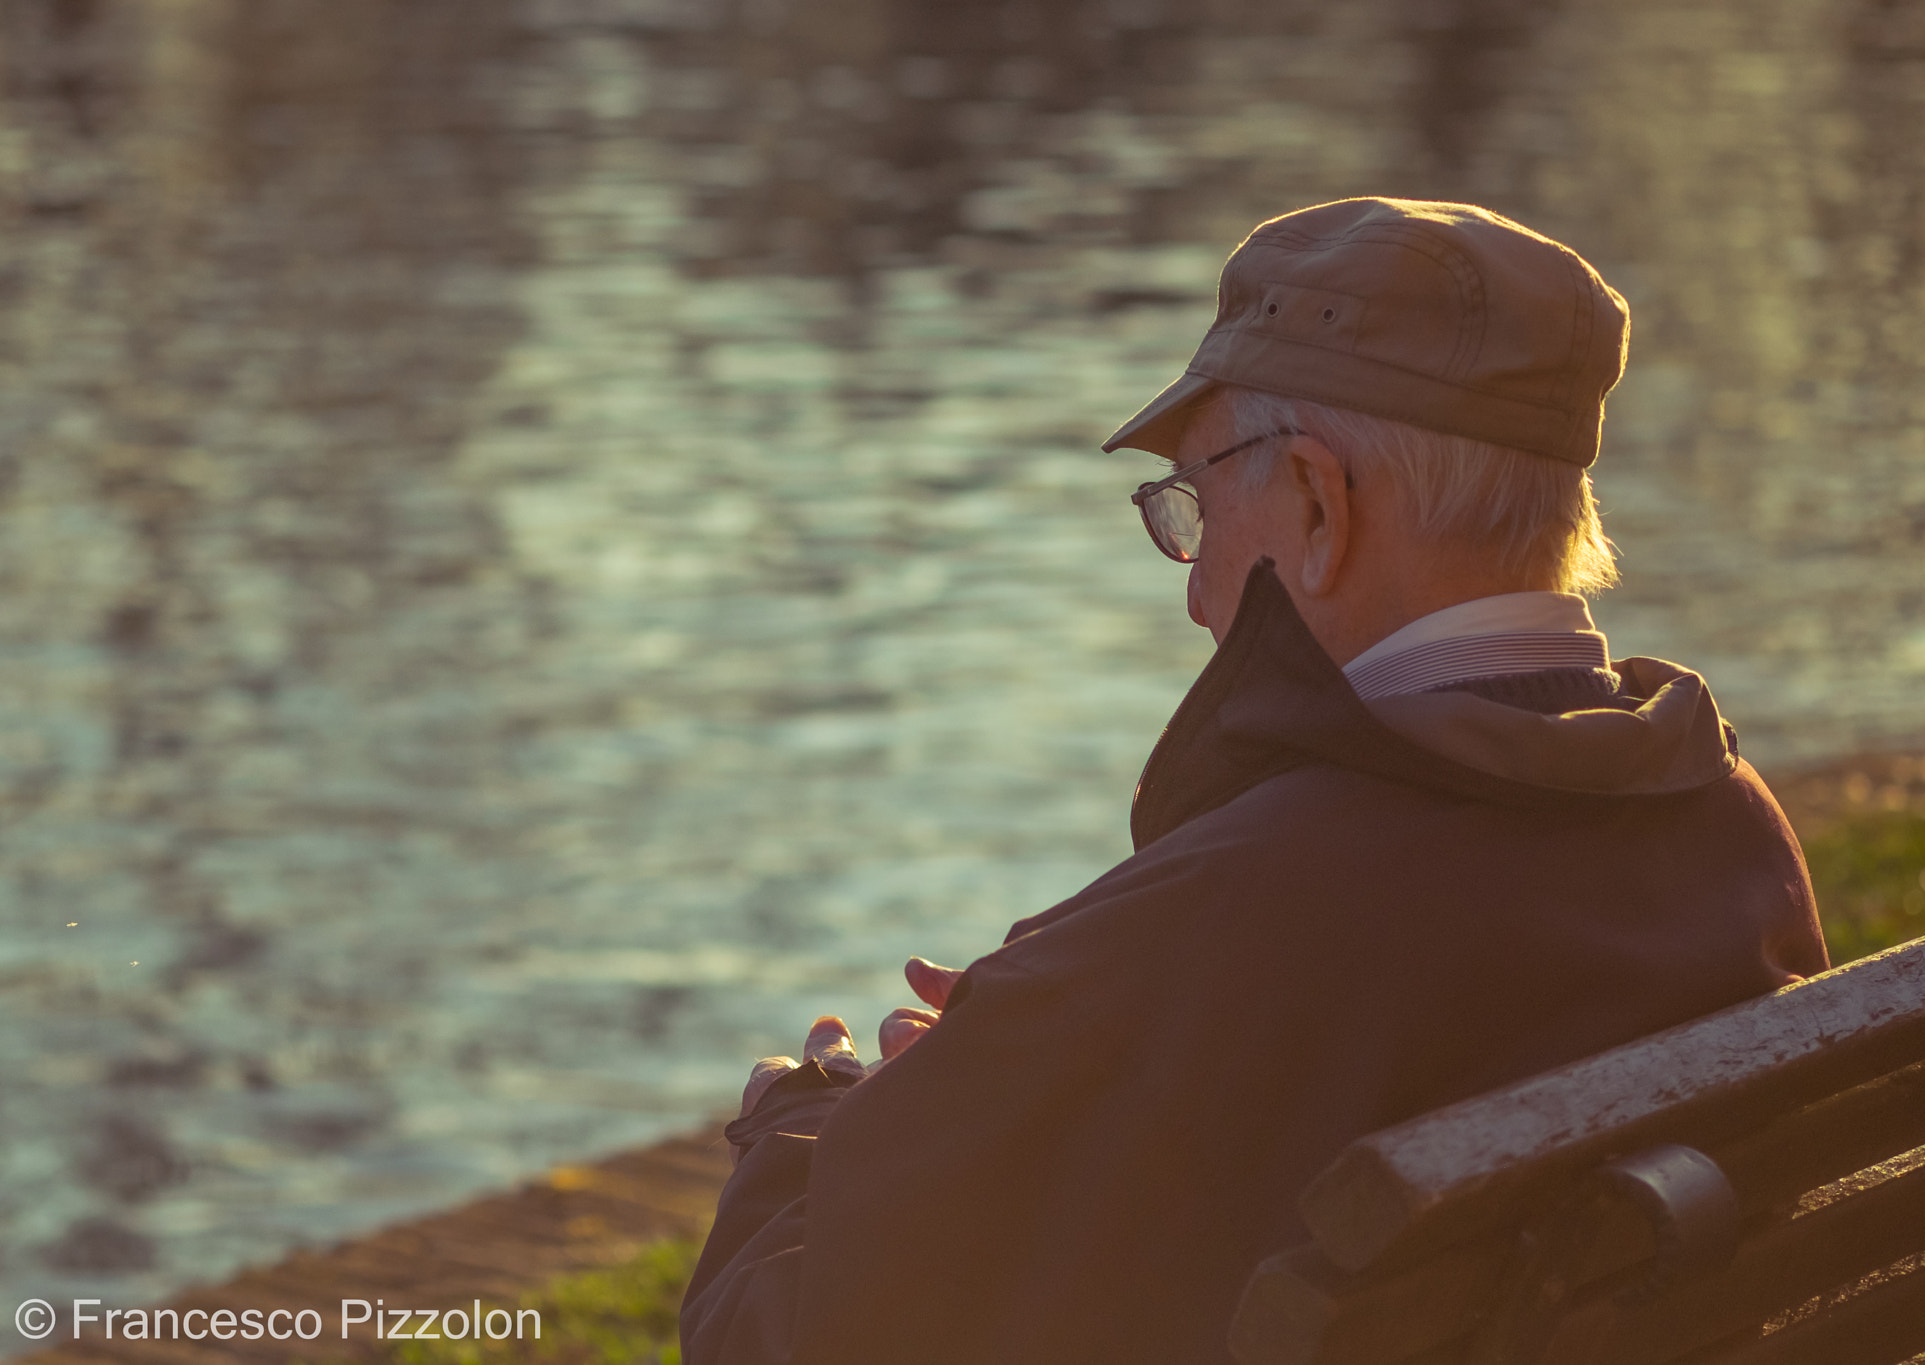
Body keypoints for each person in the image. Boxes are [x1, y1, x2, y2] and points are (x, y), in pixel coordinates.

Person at [677, 197, 1828, 1365]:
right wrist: (1043, 1066)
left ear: (1319, 507)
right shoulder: (1728, 825)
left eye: (1197, 504)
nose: (1190, 591)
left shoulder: (1220, 919)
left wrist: (811, 1116)